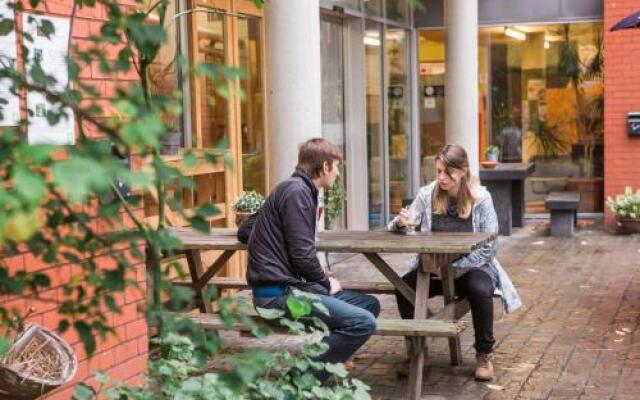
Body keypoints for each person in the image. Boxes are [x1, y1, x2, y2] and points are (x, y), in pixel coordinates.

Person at [238, 138, 380, 382]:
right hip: (277, 297)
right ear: (325, 167)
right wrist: (325, 282)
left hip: (291, 288)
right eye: (336, 166)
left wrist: (273, 236)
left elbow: (246, 229)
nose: (337, 172)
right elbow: (303, 256)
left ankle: (322, 366)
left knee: (368, 305)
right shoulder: (297, 192)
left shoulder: (291, 188)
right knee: (362, 322)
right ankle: (297, 384)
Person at [388, 144, 522, 381]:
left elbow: (489, 246)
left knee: (480, 290)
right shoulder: (427, 194)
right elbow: (405, 222)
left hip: (472, 268)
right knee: (404, 287)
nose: (441, 177)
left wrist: (452, 269)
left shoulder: (481, 198)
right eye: (438, 171)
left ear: (463, 171)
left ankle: (484, 354)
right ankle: (419, 351)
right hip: (434, 270)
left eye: (447, 173)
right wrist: (399, 223)